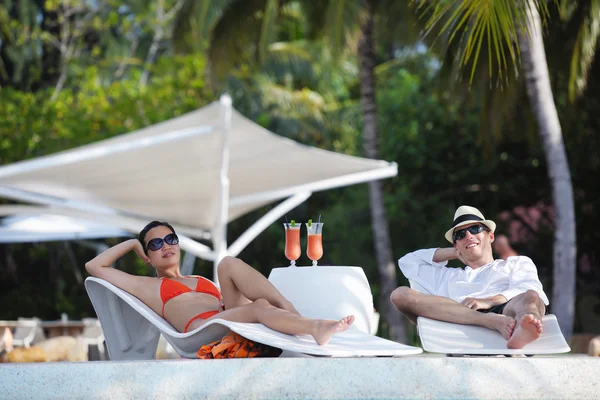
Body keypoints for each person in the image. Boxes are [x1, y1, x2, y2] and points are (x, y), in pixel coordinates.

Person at [85, 221, 353, 346]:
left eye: (170, 239)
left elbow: (233, 302)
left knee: (226, 262)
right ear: (148, 255)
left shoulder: (200, 279)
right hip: (201, 329)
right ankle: (315, 327)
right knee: (258, 306)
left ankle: (287, 307)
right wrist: (133, 243)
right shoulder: (145, 286)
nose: (165, 245)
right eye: (155, 244)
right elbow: (94, 267)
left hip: (225, 317)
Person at [390, 205, 549, 349]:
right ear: (456, 245)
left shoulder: (515, 263)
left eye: (475, 229)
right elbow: (407, 262)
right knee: (399, 294)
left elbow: (529, 287)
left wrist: (490, 301)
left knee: (532, 297)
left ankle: (524, 330)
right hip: (462, 315)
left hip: (505, 311)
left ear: (490, 236)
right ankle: (489, 321)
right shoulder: (449, 276)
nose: (468, 235)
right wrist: (457, 252)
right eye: (460, 234)